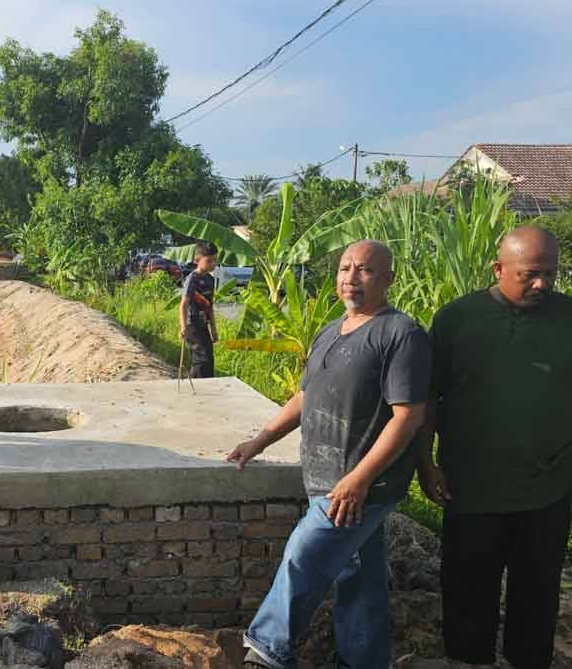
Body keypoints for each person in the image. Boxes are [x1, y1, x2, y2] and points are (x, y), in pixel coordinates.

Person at [227, 240, 431, 669]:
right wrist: (259, 441)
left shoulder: (400, 334)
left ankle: (268, 650)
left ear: (388, 279)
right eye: (344, 268)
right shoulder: (330, 330)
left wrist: (359, 479)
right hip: (322, 477)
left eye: (365, 271)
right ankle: (366, 660)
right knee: (358, 576)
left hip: (361, 485)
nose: (351, 278)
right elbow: (305, 398)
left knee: (304, 554)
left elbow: (408, 417)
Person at [419, 226, 572, 669]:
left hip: (549, 486)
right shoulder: (456, 320)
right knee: (468, 592)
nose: (542, 284)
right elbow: (428, 397)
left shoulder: (568, 317)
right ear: (498, 268)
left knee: (538, 593)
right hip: (471, 486)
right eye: (530, 274)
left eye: (551, 274)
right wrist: (425, 463)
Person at [179, 241, 218, 378]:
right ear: (197, 260)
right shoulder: (192, 279)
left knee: (209, 357)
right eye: (209, 261)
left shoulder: (210, 280)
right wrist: (183, 326)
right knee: (201, 358)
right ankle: (199, 387)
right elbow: (183, 304)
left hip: (203, 325)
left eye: (215, 261)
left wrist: (213, 328)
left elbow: (209, 306)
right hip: (192, 325)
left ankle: (207, 384)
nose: (213, 264)